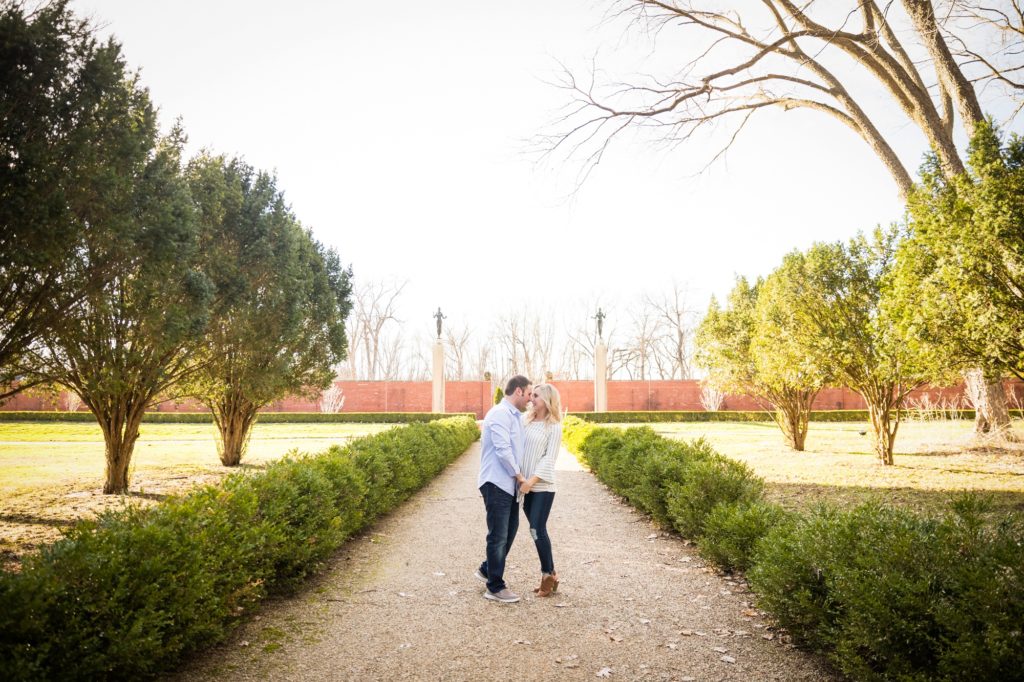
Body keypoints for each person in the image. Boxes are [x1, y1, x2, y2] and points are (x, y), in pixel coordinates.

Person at [475, 375, 532, 603]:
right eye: (529, 394)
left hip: (509, 485)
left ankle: (486, 569)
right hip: (497, 481)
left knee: (510, 530)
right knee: (498, 535)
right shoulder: (499, 414)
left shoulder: (515, 416)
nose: (530, 399)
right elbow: (503, 450)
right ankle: (495, 587)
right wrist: (519, 476)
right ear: (518, 391)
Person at [519, 383, 563, 597]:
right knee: (537, 530)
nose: (531, 399)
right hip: (524, 486)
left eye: (535, 396)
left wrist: (531, 481)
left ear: (546, 400)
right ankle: (552, 574)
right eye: (531, 395)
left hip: (542, 487)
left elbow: (549, 459)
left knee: (537, 529)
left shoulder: (553, 426)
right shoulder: (525, 421)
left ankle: (547, 575)